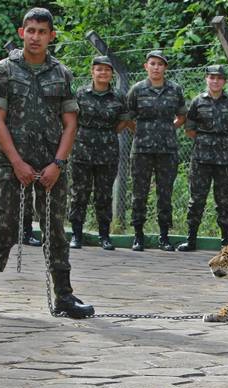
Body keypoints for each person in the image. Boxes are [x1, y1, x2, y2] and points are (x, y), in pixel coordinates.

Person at [0, 8, 94, 319]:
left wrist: (58, 163)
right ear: (22, 33)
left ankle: (64, 297)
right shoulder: (4, 71)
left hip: (51, 164)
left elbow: (70, 123)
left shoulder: (61, 73)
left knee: (55, 231)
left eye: (42, 31)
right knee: (4, 229)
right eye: (31, 30)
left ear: (51, 36)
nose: (36, 36)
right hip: (12, 164)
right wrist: (17, 163)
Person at [177, 65, 228, 251]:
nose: (215, 81)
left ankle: (225, 241)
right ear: (206, 79)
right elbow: (190, 129)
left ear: (224, 81)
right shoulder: (198, 102)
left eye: (219, 78)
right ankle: (191, 239)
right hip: (201, 159)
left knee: (224, 201)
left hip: (225, 160)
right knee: (196, 199)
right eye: (211, 77)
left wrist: (225, 141)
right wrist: (206, 141)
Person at [68, 56, 130, 250]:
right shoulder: (80, 94)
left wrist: (106, 132)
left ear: (111, 74)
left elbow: (123, 122)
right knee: (79, 194)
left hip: (108, 151)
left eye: (107, 70)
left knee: (104, 195)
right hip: (82, 150)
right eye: (99, 69)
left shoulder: (119, 96)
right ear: (92, 72)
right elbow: (72, 119)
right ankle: (76, 235)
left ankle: (104, 236)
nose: (103, 73)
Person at [127, 50, 186, 252]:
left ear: (165, 68)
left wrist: (168, 129)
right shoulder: (137, 90)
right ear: (146, 66)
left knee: (165, 194)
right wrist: (143, 132)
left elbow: (181, 116)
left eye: (160, 64)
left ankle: (164, 236)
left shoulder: (174, 90)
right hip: (142, 150)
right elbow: (129, 117)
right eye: (152, 63)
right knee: (139, 193)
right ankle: (138, 236)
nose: (156, 67)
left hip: (167, 151)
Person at [0, 105, 42, 247]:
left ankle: (26, 232)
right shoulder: (1, 83)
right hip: (4, 146)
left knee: (27, 192)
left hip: (30, 146)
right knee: (2, 192)